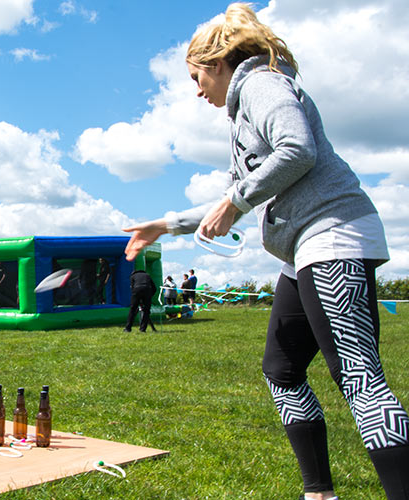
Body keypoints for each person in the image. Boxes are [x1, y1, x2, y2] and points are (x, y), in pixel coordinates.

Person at [122, 4, 408, 499]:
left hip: (333, 234)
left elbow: (297, 150)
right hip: (301, 253)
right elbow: (237, 192)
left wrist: (236, 203)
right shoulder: (241, 117)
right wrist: (167, 224)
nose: (196, 91)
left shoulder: (261, 84)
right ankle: (319, 492)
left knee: (360, 379)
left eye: (196, 77)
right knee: (282, 370)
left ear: (216, 64)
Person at [124, 269, 157, 333]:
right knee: (146, 311)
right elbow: (154, 288)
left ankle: (128, 328)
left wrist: (136, 298)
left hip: (137, 290)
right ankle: (143, 329)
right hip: (147, 290)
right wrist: (149, 296)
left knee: (133, 309)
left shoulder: (133, 276)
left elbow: (132, 287)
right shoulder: (147, 275)